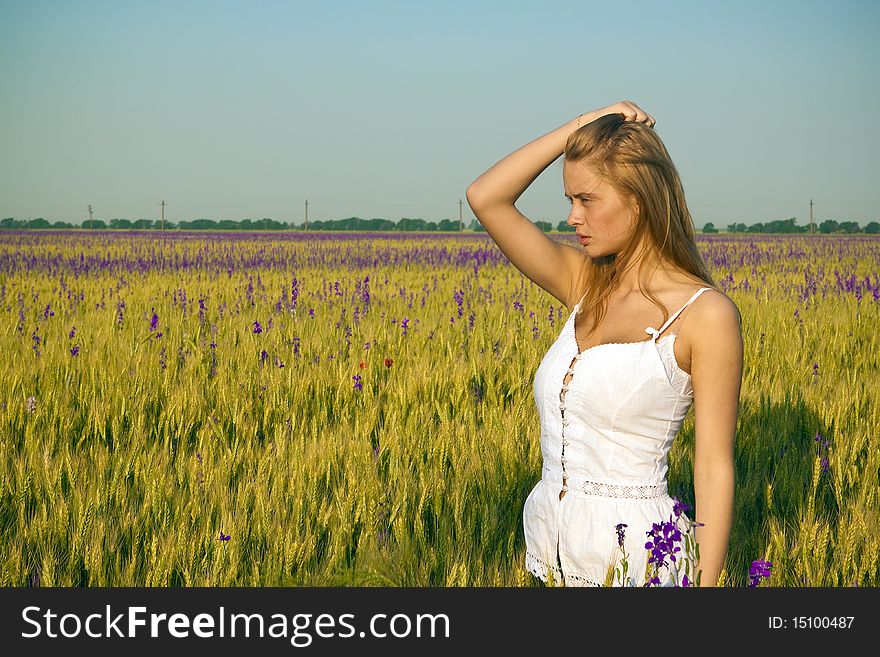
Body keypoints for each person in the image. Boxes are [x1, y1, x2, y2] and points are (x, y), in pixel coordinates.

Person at [466, 101, 742, 587]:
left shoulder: (706, 316)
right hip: (548, 557)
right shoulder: (584, 284)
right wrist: (582, 127)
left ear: (639, 199)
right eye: (569, 199)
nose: (572, 217)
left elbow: (713, 464)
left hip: (640, 563)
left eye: (586, 199)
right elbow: (485, 197)